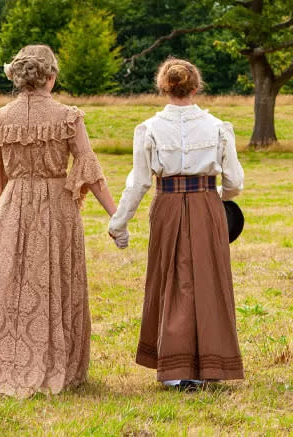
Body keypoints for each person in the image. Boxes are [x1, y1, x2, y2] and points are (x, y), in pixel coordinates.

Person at [0, 44, 117, 398]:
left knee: (5, 279)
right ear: (51, 77)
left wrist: (10, 208)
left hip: (13, 204)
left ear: (18, 78)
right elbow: (89, 170)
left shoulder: (0, 119)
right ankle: (53, 360)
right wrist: (117, 214)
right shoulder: (68, 116)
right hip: (58, 208)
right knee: (51, 279)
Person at [108, 58, 245, 390]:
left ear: (163, 88)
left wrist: (119, 224)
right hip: (206, 205)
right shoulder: (217, 127)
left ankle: (174, 373)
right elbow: (235, 181)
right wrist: (221, 198)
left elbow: (139, 183)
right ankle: (206, 368)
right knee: (208, 282)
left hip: (167, 205)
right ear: (196, 88)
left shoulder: (149, 129)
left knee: (170, 281)